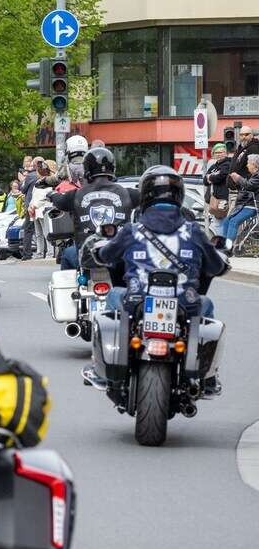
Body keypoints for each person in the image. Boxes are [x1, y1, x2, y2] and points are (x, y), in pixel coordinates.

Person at [88, 165, 229, 394]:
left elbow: (106, 256)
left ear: (145, 195)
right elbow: (215, 266)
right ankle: (208, 376)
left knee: (113, 295)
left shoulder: (132, 230)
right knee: (207, 305)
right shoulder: (193, 231)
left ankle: (103, 366)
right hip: (185, 302)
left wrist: (99, 250)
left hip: (136, 299)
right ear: (179, 195)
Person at [48, 147, 138, 270]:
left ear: (86, 170)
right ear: (112, 169)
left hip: (87, 257)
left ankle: (73, 287)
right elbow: (148, 197)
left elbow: (59, 201)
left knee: (67, 254)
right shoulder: (127, 193)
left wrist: (51, 195)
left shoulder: (76, 195)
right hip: (119, 257)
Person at [222, 153, 259, 255]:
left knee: (234, 221)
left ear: (254, 165)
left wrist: (238, 178)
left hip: (253, 205)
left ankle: (228, 248)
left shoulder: (257, 175)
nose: (247, 165)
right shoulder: (252, 175)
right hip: (245, 204)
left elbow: (249, 186)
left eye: (248, 163)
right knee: (226, 221)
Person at [204, 143, 232, 244]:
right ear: (213, 154)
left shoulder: (228, 164)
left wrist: (211, 177)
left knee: (223, 221)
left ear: (226, 153)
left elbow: (221, 176)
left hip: (224, 198)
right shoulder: (213, 166)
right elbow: (204, 181)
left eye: (221, 152)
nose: (219, 154)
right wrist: (211, 177)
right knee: (217, 222)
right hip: (214, 199)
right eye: (217, 152)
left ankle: (223, 244)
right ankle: (221, 244)